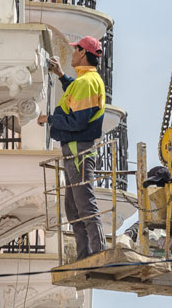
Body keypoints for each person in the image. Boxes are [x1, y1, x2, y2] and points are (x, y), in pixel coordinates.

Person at [37, 36, 106, 260]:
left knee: (84, 205)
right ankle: (85, 255)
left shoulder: (86, 82)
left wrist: (50, 119)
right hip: (75, 151)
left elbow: (78, 121)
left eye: (75, 50)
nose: (72, 55)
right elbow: (77, 104)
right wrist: (61, 76)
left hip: (78, 151)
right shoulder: (84, 81)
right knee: (74, 209)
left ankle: (97, 253)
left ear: (83, 52)